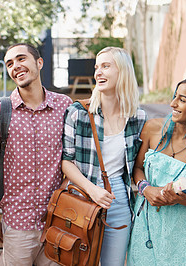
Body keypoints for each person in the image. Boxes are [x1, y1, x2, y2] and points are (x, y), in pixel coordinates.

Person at [0, 43, 72, 265]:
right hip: (17, 223)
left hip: (57, 222)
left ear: (39, 62)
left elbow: (72, 159)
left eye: (21, 59)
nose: (16, 66)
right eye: (10, 63)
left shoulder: (64, 105)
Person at [62, 46, 146, 265]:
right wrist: (92, 190)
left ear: (123, 72)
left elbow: (139, 163)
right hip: (82, 196)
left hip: (118, 198)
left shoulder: (137, 118)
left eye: (106, 66)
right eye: (96, 67)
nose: (98, 72)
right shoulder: (78, 113)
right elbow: (66, 162)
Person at [127, 77, 186, 265]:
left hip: (184, 232)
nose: (172, 104)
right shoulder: (152, 128)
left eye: (182, 100)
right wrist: (146, 188)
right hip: (146, 227)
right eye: (175, 96)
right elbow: (137, 168)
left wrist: (184, 199)